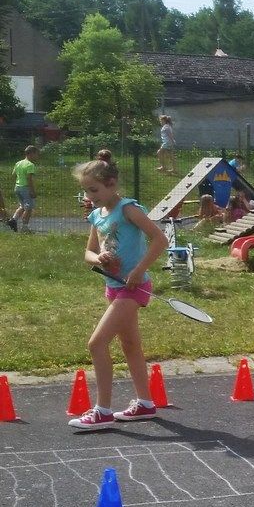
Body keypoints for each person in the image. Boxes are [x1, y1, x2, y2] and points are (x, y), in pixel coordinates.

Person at [67, 159, 170, 431]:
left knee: (96, 344)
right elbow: (88, 253)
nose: (90, 196)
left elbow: (160, 240)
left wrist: (139, 270)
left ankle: (102, 410)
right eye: (86, 190)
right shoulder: (97, 215)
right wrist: (98, 258)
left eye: (94, 190)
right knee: (130, 344)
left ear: (111, 184)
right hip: (113, 286)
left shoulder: (128, 209)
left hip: (133, 287)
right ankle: (145, 403)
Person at [9, 145, 39, 232]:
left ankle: (13, 220)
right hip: (25, 188)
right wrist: (32, 191)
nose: (37, 156)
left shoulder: (18, 163)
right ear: (31, 154)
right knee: (29, 208)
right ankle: (25, 227)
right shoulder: (30, 165)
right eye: (36, 154)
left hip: (17, 187)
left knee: (22, 206)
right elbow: (29, 179)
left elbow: (13, 175)